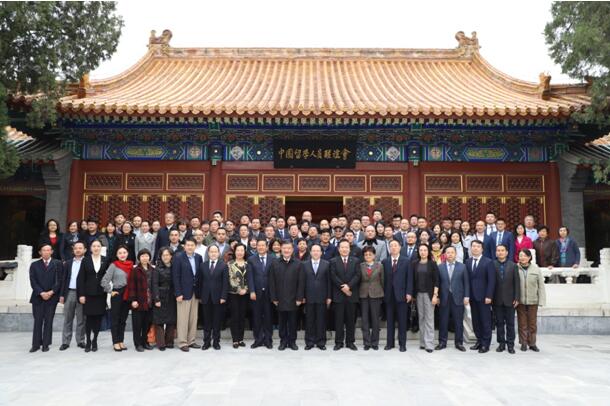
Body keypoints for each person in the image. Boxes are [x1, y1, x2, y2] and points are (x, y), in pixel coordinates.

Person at [269, 241, 305, 351]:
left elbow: (301, 282)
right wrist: (274, 298)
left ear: (292, 250)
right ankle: (283, 341)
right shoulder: (275, 263)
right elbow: (272, 282)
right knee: (282, 322)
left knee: (293, 322)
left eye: (289, 248)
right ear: (281, 249)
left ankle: (292, 341)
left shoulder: (298, 263)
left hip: (294, 299)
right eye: (284, 248)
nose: (286, 250)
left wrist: (299, 298)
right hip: (280, 299)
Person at [76, 239, 108, 352]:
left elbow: (108, 276)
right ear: (90, 248)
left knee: (98, 319)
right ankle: (88, 341)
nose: (96, 248)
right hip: (88, 294)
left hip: (101, 294)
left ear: (101, 248)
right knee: (89, 319)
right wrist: (81, 295)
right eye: (94, 246)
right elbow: (80, 278)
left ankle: (95, 340)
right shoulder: (85, 260)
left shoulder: (105, 260)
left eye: (98, 246)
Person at [29, 244, 62, 352]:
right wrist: (41, 292)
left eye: (48, 250)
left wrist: (51, 292)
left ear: (52, 251)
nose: (46, 252)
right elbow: (33, 281)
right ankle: (35, 344)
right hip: (38, 297)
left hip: (52, 297)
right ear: (40, 252)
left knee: (49, 321)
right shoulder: (34, 265)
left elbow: (59, 280)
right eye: (44, 250)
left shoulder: (57, 264)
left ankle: (46, 344)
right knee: (38, 321)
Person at [172, 238, 203, 352]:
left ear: (195, 246)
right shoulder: (178, 257)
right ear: (184, 247)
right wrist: (178, 293)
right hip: (183, 293)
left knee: (193, 318)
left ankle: (191, 341)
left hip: (195, 292)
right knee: (183, 319)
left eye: (192, 245)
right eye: (188, 245)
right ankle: (182, 342)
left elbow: (200, 275)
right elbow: (175, 276)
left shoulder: (199, 257)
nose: (190, 247)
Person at [329, 239, 361, 351]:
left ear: (349, 248)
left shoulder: (356, 261)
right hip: (338, 295)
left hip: (351, 295)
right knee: (338, 320)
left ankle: (350, 342)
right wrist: (343, 287)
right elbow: (333, 276)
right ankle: (338, 342)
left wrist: (349, 286)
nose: (344, 249)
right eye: (342, 247)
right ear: (338, 249)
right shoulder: (333, 261)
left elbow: (358, 275)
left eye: (346, 247)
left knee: (351, 320)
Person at [101, 245, 134, 352]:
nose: (122, 255)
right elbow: (104, 281)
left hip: (128, 294)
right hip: (117, 294)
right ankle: (115, 342)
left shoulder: (131, 265)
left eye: (124, 252)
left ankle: (121, 341)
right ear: (116, 255)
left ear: (127, 253)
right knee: (115, 319)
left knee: (123, 320)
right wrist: (110, 291)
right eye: (120, 253)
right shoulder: (114, 265)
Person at [466, 240, 496, 353]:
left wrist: (489, 296)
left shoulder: (488, 262)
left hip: (484, 297)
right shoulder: (468, 262)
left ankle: (485, 344)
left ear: (482, 249)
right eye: (473, 246)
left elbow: (491, 281)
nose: (475, 248)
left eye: (478, 246)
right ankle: (479, 340)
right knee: (476, 321)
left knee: (485, 321)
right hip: (472, 297)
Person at [437, 246, 469, 352]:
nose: (450, 254)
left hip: (458, 297)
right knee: (443, 321)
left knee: (458, 321)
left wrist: (466, 296)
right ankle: (442, 342)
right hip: (444, 297)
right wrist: (437, 297)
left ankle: (459, 343)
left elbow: (466, 283)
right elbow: (437, 283)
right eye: (448, 252)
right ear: (445, 254)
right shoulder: (440, 267)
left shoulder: (462, 267)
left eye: (452, 252)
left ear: (455, 254)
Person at [383, 239, 412, 352]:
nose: (393, 247)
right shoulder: (385, 261)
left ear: (400, 247)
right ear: (389, 248)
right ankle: (389, 343)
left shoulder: (406, 261)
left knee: (402, 321)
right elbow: (383, 280)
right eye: (391, 246)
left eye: (396, 245)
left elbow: (409, 278)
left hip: (402, 295)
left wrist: (409, 292)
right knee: (390, 321)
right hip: (389, 295)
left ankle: (402, 344)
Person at [198, 244, 229, 350]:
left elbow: (225, 283)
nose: (213, 254)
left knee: (217, 321)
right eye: (211, 252)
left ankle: (216, 341)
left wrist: (223, 296)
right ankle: (206, 342)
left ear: (219, 253)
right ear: (208, 253)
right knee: (206, 321)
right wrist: (200, 296)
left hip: (218, 298)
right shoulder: (203, 265)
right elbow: (200, 282)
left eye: (215, 252)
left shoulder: (223, 265)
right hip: (205, 297)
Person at [516, 249, 546, 352]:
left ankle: (532, 343)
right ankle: (523, 343)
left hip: (533, 301)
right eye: (521, 255)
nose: (522, 258)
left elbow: (541, 286)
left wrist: (541, 300)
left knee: (532, 324)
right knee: (522, 323)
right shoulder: (516, 268)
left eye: (525, 256)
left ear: (529, 257)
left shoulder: (536, 269)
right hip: (520, 301)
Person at [492, 244, 520, 354]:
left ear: (507, 252)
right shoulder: (492, 264)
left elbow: (517, 283)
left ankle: (510, 344)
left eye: (502, 250)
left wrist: (517, 297)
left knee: (510, 324)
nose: (500, 252)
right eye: (498, 250)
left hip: (510, 299)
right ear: (496, 252)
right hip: (497, 299)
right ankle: (501, 344)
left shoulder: (513, 266)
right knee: (499, 323)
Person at [302, 244, 331, 350]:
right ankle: (309, 342)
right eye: (313, 250)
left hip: (322, 297)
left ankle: (321, 342)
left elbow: (329, 282)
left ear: (321, 253)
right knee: (309, 320)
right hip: (308, 297)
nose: (315, 252)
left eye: (317, 251)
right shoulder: (304, 264)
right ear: (310, 252)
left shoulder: (327, 264)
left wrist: (329, 296)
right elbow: (302, 282)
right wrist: (302, 296)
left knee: (321, 320)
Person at [59, 241, 87, 351]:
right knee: (67, 318)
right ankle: (65, 342)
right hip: (69, 292)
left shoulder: (87, 262)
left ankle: (80, 340)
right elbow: (63, 279)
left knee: (81, 319)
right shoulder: (68, 263)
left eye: (80, 248)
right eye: (76, 248)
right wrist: (62, 295)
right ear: (73, 250)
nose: (78, 250)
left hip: (82, 294)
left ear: (85, 250)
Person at [247, 239, 274, 349]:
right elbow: (250, 277)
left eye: (263, 245)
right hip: (256, 293)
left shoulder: (273, 259)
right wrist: (252, 291)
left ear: (267, 247)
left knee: (268, 317)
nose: (261, 247)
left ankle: (268, 340)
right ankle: (258, 339)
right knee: (257, 317)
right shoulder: (251, 259)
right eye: (259, 245)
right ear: (256, 247)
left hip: (269, 293)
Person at [413, 244, 439, 353]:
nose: (423, 252)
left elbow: (437, 281)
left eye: (425, 250)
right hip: (418, 294)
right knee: (421, 318)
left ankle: (429, 344)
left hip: (429, 295)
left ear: (428, 252)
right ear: (418, 252)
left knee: (429, 319)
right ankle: (422, 343)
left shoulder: (432, 264)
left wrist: (435, 295)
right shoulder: (414, 264)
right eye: (421, 250)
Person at [151, 247, 177, 351]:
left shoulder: (175, 267)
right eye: (163, 255)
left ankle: (169, 342)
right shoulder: (157, 269)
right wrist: (156, 299)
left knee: (171, 320)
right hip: (161, 296)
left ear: (171, 256)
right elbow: (154, 284)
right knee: (159, 321)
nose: (166, 257)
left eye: (167, 255)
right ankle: (161, 343)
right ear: (160, 257)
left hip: (172, 296)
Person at [359, 246, 384, 350]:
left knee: (375, 319)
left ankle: (375, 342)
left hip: (376, 294)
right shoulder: (360, 266)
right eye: (366, 254)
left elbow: (382, 280)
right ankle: (367, 342)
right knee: (364, 319)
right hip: (363, 294)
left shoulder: (380, 266)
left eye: (370, 254)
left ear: (374, 255)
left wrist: (382, 293)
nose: (368, 256)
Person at [128, 249, 154, 352]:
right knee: (137, 324)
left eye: (146, 256)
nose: (145, 258)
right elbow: (131, 286)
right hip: (139, 301)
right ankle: (138, 344)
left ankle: (145, 342)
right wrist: (133, 300)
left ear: (149, 257)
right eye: (142, 256)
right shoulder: (135, 270)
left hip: (149, 301)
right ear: (139, 258)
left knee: (147, 324)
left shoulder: (152, 269)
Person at [228, 244, 249, 348]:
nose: (240, 252)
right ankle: (235, 339)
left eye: (242, 250)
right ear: (234, 251)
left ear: (244, 252)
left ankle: (241, 339)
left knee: (242, 316)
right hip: (233, 294)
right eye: (238, 250)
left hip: (245, 294)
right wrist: (238, 289)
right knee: (235, 316)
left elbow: (250, 278)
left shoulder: (248, 264)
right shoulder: (230, 264)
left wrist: (246, 289)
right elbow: (230, 278)